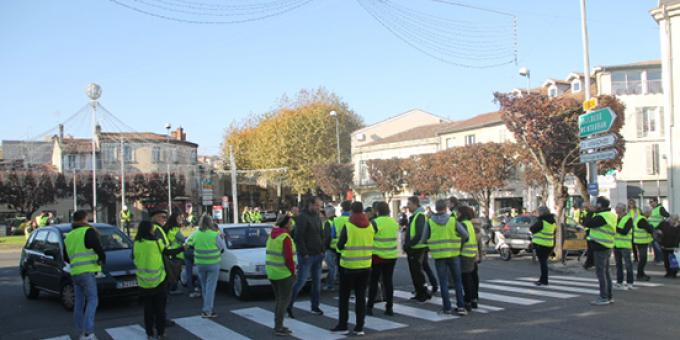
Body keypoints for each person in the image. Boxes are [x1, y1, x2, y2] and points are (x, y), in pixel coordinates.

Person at [134, 220, 183, 339]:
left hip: (143, 281)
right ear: (149, 230)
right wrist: (182, 248)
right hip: (158, 280)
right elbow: (168, 252)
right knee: (160, 309)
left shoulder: (136, 243)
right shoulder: (156, 243)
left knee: (148, 310)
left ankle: (149, 333)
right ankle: (161, 332)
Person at [332, 201, 374, 336]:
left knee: (344, 297)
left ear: (351, 211)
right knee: (361, 297)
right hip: (366, 265)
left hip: (348, 266)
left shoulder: (348, 225)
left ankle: (343, 325)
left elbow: (340, 244)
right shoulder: (370, 226)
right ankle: (359, 327)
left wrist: (340, 249)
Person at [63, 210, 105, 340]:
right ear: (84, 219)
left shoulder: (69, 236)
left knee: (79, 303)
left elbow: (66, 257)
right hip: (87, 272)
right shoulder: (88, 231)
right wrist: (101, 258)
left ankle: (81, 332)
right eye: (87, 218)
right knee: (92, 300)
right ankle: (89, 332)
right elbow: (98, 248)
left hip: (75, 273)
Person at [427, 199, 468, 316]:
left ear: (436, 208)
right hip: (454, 254)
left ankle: (447, 307)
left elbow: (424, 238)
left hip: (439, 256)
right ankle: (460, 306)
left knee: (443, 282)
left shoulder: (430, 222)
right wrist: (458, 244)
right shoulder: (452, 221)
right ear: (445, 208)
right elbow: (465, 235)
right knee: (457, 281)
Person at [287, 196, 325, 318]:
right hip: (307, 256)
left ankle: (315, 306)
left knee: (317, 283)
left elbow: (320, 234)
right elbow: (299, 237)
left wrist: (322, 250)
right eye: (317, 205)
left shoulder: (317, 217)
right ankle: (288, 304)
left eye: (320, 206)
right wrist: (304, 253)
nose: (319, 208)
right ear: (311, 204)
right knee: (301, 282)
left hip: (318, 254)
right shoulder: (303, 217)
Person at [186, 214, 225, 318]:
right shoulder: (214, 234)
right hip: (213, 264)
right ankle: (207, 310)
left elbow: (186, 244)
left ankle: (206, 308)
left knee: (204, 287)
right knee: (210, 288)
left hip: (200, 264)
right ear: (210, 222)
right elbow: (222, 248)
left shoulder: (196, 234)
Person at [266, 213, 297, 336]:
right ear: (286, 224)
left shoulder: (272, 236)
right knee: (284, 301)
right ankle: (279, 327)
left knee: (279, 300)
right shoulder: (285, 237)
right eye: (290, 223)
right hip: (284, 273)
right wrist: (293, 272)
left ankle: (278, 325)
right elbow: (288, 258)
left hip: (272, 272)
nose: (292, 225)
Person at [366, 201, 399, 316]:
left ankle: (369, 307)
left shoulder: (375, 223)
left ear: (377, 211)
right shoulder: (394, 222)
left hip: (377, 256)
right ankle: (389, 307)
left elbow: (369, 237)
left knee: (374, 282)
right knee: (388, 282)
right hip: (392, 255)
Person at [583, 197, 616, 306]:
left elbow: (587, 223)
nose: (593, 206)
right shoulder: (610, 214)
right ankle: (609, 296)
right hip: (607, 245)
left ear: (599, 205)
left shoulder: (602, 216)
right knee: (606, 272)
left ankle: (603, 297)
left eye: (595, 204)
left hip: (600, 246)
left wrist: (590, 212)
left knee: (601, 273)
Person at [404, 196, 431, 302]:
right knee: (417, 272)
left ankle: (422, 293)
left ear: (415, 204)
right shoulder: (416, 215)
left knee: (417, 272)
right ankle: (421, 291)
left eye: (409, 204)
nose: (408, 206)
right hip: (417, 248)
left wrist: (409, 245)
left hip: (416, 248)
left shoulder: (419, 216)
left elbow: (419, 233)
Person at [458, 205, 481, 312]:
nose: (456, 214)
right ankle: (473, 299)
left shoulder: (463, 224)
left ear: (461, 213)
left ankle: (467, 300)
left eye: (458, 212)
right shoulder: (469, 223)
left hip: (465, 254)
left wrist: (458, 250)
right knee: (472, 278)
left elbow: (463, 238)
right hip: (472, 253)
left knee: (466, 279)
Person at [530, 206, 556, 286]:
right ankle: (543, 279)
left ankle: (544, 280)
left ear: (541, 212)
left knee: (543, 263)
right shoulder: (553, 222)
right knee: (544, 262)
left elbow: (532, 229)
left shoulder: (542, 221)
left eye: (538, 212)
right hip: (549, 244)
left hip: (541, 245)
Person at [613, 203, 635, 290]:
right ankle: (619, 282)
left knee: (628, 265)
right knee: (618, 265)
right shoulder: (616, 218)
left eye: (617, 208)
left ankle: (630, 282)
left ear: (622, 209)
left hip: (625, 245)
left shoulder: (628, 218)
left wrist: (614, 228)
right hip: (616, 245)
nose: (615, 209)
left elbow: (625, 231)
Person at [165, 213, 186, 295]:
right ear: (175, 220)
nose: (180, 220)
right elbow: (183, 239)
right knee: (176, 272)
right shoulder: (175, 230)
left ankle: (172, 287)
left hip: (170, 252)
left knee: (171, 271)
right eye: (179, 219)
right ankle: (173, 289)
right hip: (176, 253)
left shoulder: (168, 228)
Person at [633, 207, 655, 282]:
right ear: (646, 212)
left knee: (642, 259)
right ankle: (640, 275)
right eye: (650, 212)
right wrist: (652, 228)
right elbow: (649, 229)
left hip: (639, 241)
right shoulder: (642, 219)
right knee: (643, 259)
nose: (650, 214)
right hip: (642, 242)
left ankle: (641, 273)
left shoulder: (639, 218)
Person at [648, 198, 670, 263]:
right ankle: (657, 258)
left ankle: (661, 259)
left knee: (657, 244)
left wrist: (662, 225)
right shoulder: (653, 209)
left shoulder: (660, 208)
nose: (650, 203)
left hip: (657, 228)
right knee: (654, 244)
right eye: (650, 202)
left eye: (651, 202)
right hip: (652, 228)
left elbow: (667, 215)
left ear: (656, 201)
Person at [322, 205, 338, 291]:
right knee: (337, 267)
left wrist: (324, 247)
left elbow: (327, 237)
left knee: (331, 267)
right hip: (340, 247)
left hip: (330, 247)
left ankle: (330, 285)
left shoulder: (328, 223)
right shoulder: (338, 220)